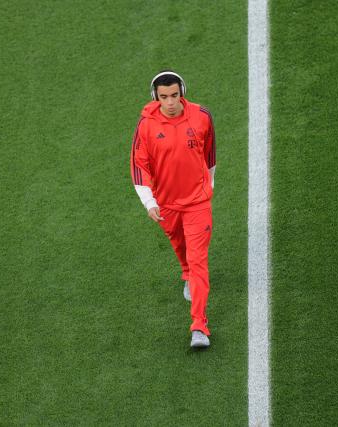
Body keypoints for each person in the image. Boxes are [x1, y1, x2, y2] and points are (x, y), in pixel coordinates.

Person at [130, 70, 216, 348]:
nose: (170, 102)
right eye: (164, 97)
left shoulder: (201, 116)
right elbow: (138, 165)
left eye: (175, 95)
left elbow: (210, 154)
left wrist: (207, 187)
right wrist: (149, 202)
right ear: (156, 97)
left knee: (198, 260)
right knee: (181, 250)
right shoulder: (145, 126)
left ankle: (199, 326)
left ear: (182, 92)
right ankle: (186, 273)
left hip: (197, 203)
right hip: (166, 205)